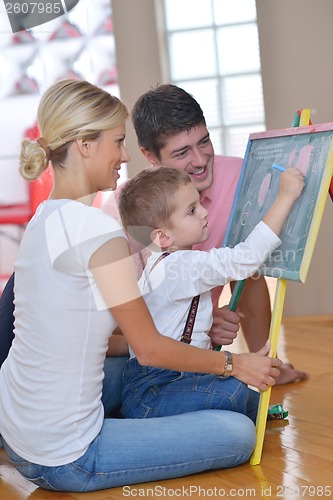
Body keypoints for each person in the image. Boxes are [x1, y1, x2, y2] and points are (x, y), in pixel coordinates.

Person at [0, 79, 282, 493]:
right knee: (238, 433)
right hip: (69, 457)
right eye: (117, 142)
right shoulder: (99, 230)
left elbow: (98, 337)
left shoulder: (44, 217)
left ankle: (143, 423)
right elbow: (148, 348)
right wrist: (233, 364)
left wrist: (201, 324)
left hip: (17, 430)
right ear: (84, 145)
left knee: (124, 368)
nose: (125, 155)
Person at [130, 83, 308, 385]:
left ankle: (267, 362)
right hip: (155, 346)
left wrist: (206, 320)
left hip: (202, 323)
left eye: (204, 142)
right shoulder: (131, 212)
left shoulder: (243, 176)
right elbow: (130, 321)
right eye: (182, 152)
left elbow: (248, 262)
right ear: (150, 156)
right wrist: (201, 327)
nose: (200, 160)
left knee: (250, 274)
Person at [118, 166, 304, 422]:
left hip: (169, 381)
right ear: (162, 236)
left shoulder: (164, 264)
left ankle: (245, 412)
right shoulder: (178, 265)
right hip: (156, 390)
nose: (205, 213)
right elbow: (245, 259)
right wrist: (285, 197)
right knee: (234, 393)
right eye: (192, 210)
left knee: (247, 397)